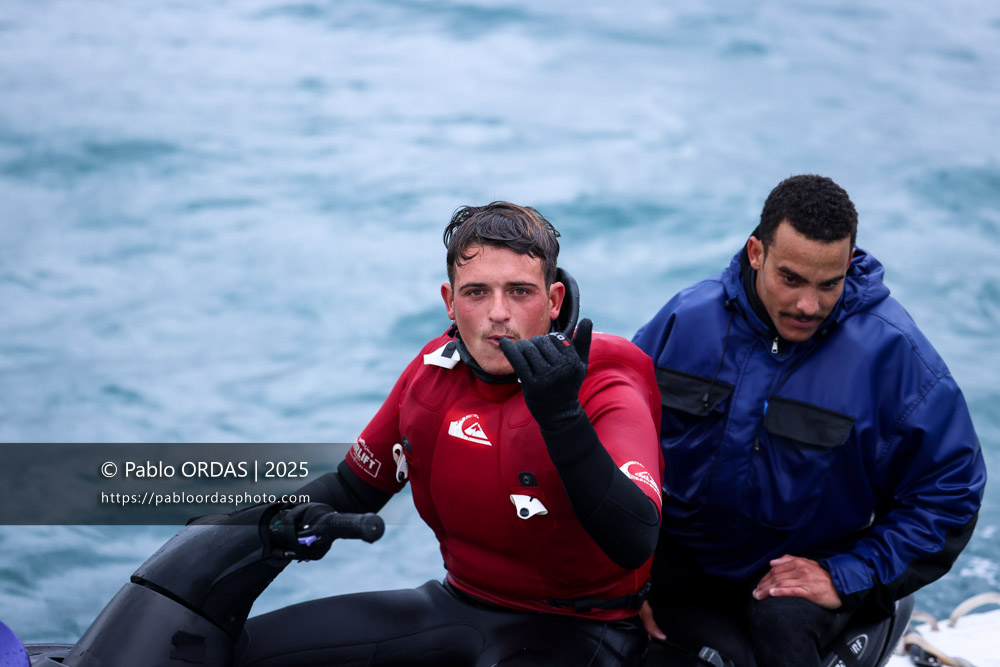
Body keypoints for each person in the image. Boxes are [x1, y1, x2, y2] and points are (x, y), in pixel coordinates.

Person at [236, 202, 664, 666]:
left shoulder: (606, 378)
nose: (498, 313)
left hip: (585, 628)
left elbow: (635, 539)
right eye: (477, 292)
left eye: (520, 291)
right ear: (449, 301)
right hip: (458, 604)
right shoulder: (432, 373)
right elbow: (352, 488)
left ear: (554, 300)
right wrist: (248, 531)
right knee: (241, 651)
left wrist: (563, 418)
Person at [632, 174, 987, 667]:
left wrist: (849, 573)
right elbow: (614, 448)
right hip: (690, 556)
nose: (808, 305)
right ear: (756, 253)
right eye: (791, 278)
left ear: (849, 264)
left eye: (829, 284)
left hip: (810, 573)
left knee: (781, 627)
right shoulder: (685, 319)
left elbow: (950, 492)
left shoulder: (895, 355)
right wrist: (621, 578)